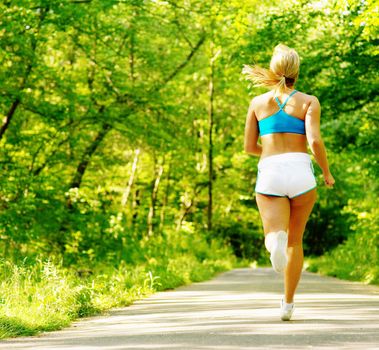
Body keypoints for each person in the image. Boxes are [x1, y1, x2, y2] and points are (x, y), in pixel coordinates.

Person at [242, 44, 335, 321]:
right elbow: (314, 141)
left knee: (275, 234)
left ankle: (274, 242)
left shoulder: (258, 103)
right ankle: (288, 304)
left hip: (270, 171)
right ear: (297, 71)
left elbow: (249, 147)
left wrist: (271, 152)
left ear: (274, 69)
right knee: (296, 241)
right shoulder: (308, 101)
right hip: (300, 172)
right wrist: (326, 172)